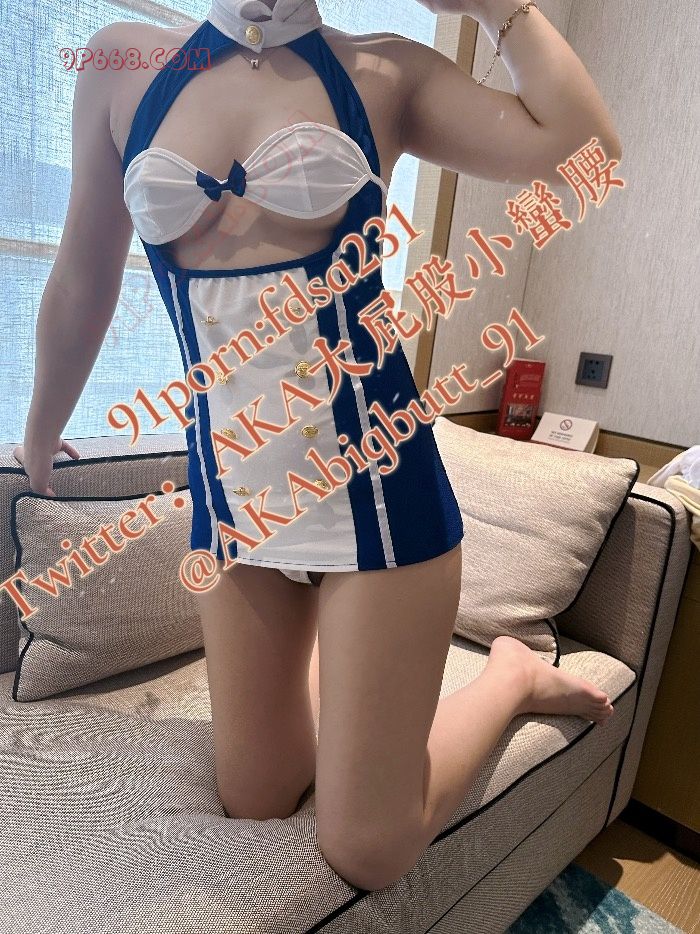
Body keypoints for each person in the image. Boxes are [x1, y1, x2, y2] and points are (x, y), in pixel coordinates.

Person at [14, 0, 617, 894]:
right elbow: (83, 272)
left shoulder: (386, 73)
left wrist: (497, 9)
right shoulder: (122, 65)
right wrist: (40, 427)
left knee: (367, 847)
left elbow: (586, 152)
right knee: (256, 795)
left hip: (381, 504)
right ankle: (356, 687)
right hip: (234, 511)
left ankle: (511, 678)